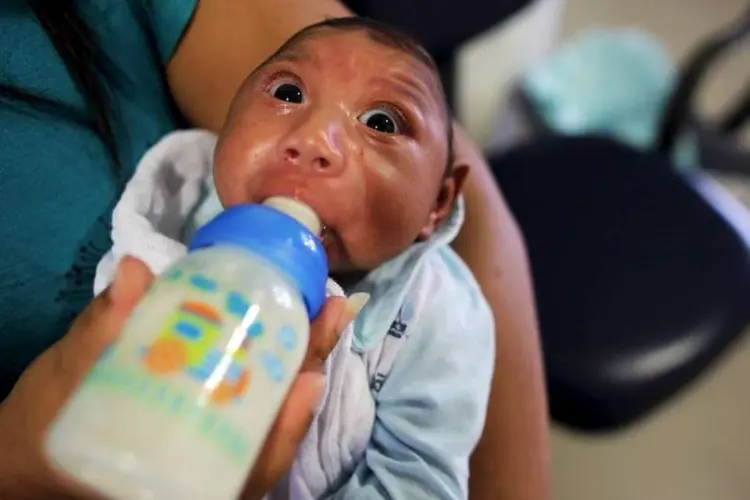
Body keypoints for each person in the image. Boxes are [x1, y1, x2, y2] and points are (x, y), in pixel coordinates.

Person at [0, 1, 549, 499]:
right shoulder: (179, 214)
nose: (313, 140)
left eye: (382, 123)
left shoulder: (435, 314)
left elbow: (421, 477)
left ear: (438, 202)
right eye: (288, 93)